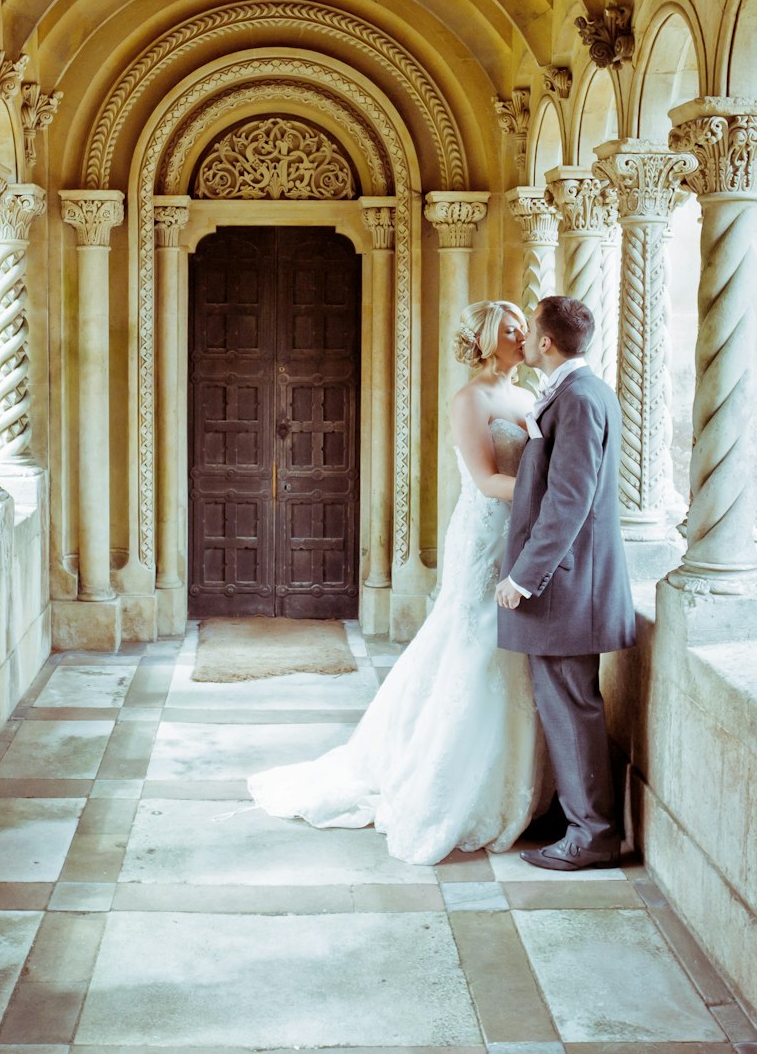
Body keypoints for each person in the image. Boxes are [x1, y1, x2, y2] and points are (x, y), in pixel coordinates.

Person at [248, 300, 549, 865]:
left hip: (524, 533)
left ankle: (514, 786)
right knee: (475, 646)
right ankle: (444, 784)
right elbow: (486, 480)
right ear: (486, 340)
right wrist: (555, 498)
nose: (522, 336)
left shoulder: (530, 396)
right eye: (511, 330)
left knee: (511, 654)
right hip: (485, 536)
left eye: (523, 329)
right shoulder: (471, 400)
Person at [496, 294, 636, 870]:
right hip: (570, 583)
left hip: (565, 586)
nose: (525, 338)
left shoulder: (578, 399)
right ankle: (576, 815)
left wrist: (524, 578)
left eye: (530, 331)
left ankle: (593, 836)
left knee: (571, 706)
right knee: (563, 704)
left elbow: (570, 499)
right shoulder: (578, 392)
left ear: (547, 343)